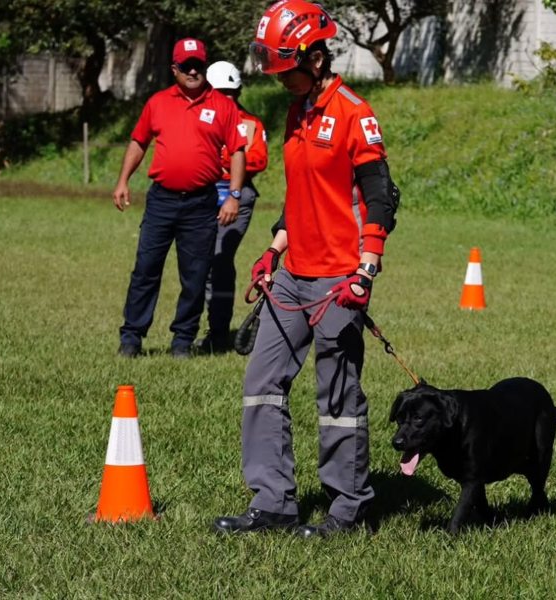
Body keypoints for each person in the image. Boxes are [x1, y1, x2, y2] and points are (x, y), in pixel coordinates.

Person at [215, 0, 399, 538]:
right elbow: (302, 196)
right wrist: (273, 250)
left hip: (339, 278)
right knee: (262, 382)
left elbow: (379, 196)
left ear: (316, 58)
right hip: (292, 275)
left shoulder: (353, 113)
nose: (282, 81)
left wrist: (366, 269)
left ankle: (349, 509)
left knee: (336, 394)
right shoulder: (297, 111)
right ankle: (272, 503)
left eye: (288, 70)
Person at [113, 38, 247, 358]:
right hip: (161, 201)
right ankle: (132, 338)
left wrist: (234, 196)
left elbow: (238, 152)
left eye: (197, 64)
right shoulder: (157, 103)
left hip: (201, 203)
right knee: (146, 269)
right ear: (174, 69)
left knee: (195, 276)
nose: (192, 71)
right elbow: (138, 142)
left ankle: (182, 341)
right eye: (185, 65)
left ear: (205, 66)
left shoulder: (223, 106)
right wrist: (122, 181)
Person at [199, 60, 269, 353]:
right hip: (201, 193)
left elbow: (258, 160)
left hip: (237, 195)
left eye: (232, 91)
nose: (228, 98)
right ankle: (196, 331)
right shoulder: (201, 118)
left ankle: (218, 333)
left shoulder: (251, 123)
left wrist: (227, 159)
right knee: (199, 264)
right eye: (221, 91)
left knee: (219, 260)